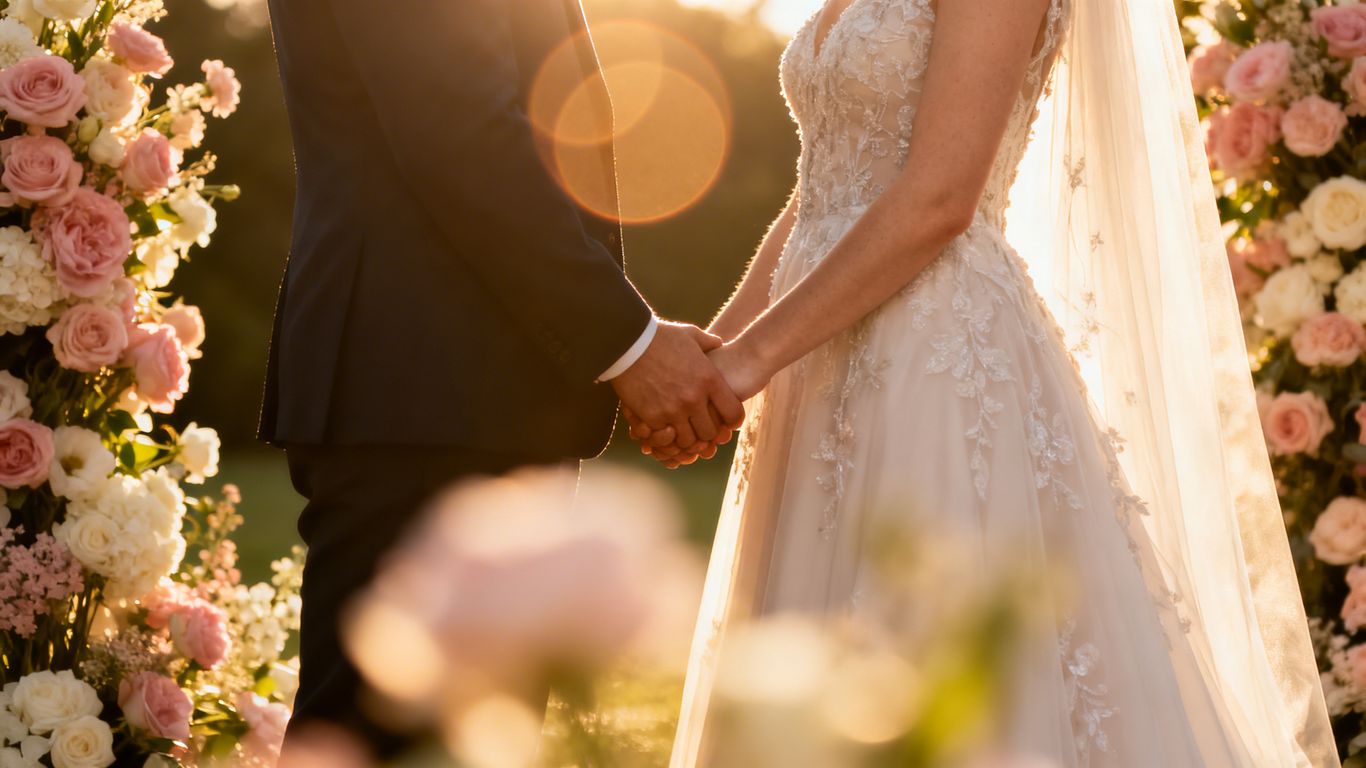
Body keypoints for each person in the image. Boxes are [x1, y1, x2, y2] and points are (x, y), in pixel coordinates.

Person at [643, 0, 1341, 764]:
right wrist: (720, 356)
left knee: (927, 650)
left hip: (928, 354)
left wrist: (751, 360)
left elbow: (939, 198)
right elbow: (822, 188)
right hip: (815, 352)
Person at [258, 0, 743, 757]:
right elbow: (460, 131)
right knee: (372, 737)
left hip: (463, 384)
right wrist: (631, 345)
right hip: (423, 385)